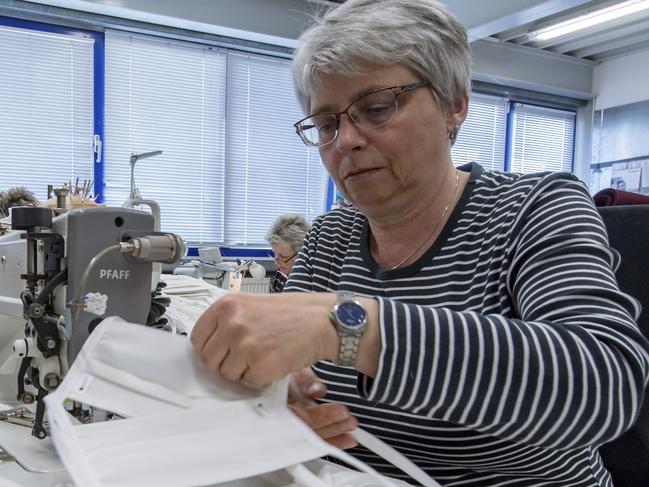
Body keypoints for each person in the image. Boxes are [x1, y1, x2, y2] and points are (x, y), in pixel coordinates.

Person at [191, 0, 649, 485]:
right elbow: (289, 380)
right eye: (327, 123)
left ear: (454, 104)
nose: (345, 140)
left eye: (376, 108)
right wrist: (279, 402)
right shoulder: (328, 239)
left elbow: (605, 384)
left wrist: (350, 327)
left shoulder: (536, 208)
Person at [266, 213, 310, 292]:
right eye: (275, 254)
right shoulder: (282, 272)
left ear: (301, 254)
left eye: (283, 256)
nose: (276, 263)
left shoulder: (306, 285)